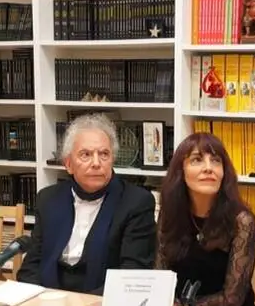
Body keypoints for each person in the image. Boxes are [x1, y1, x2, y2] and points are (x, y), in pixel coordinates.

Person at [16, 114, 156, 294]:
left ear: (113, 159)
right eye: (86, 155)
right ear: (68, 164)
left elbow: (132, 276)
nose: (96, 163)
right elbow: (31, 266)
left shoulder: (136, 202)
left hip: (101, 304)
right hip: (48, 303)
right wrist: (38, 301)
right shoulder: (48, 199)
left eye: (104, 154)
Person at [155, 132, 255, 306]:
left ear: (224, 173)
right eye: (197, 160)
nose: (208, 168)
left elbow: (232, 300)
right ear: (181, 171)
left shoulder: (242, 222)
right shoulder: (170, 214)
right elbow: (159, 277)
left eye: (215, 161)